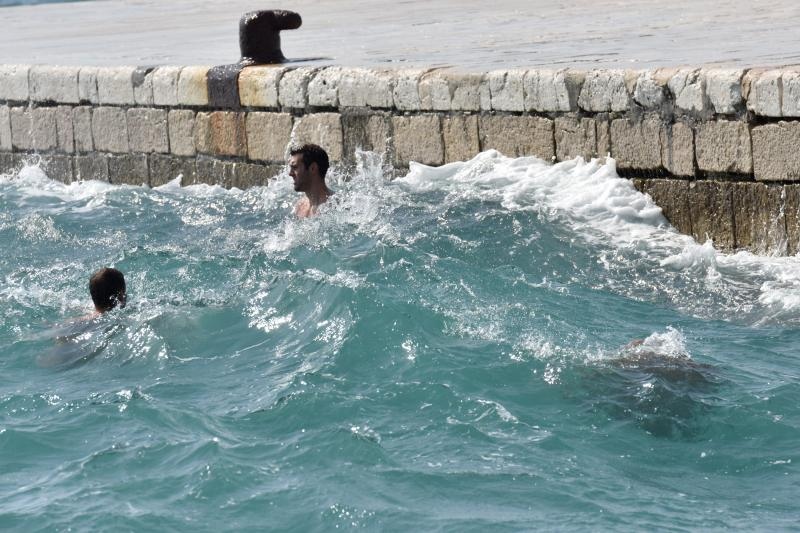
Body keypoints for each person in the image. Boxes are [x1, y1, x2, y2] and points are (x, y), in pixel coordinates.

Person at [288, 143, 332, 217]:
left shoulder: (335, 206)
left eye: (295, 167)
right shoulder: (299, 207)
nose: (290, 173)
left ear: (313, 168)